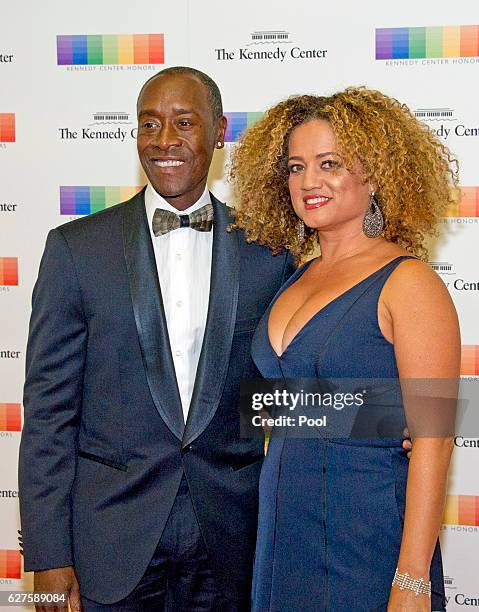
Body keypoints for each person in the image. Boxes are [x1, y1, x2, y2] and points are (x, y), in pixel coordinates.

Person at [18, 67, 297, 612]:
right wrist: (49, 556)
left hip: (228, 542)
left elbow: (283, 395)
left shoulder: (267, 252)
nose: (163, 140)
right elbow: (49, 414)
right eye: (149, 124)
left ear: (219, 130)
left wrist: (399, 417)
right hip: (109, 545)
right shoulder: (77, 250)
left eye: (183, 123)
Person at [230, 88, 460, 611]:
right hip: (284, 529)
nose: (308, 182)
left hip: (367, 531)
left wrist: (412, 580)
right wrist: (372, 412)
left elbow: (435, 436)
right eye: (295, 166)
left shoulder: (409, 282)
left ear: (374, 174)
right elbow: (283, 406)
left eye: (329, 163)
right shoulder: (294, 278)